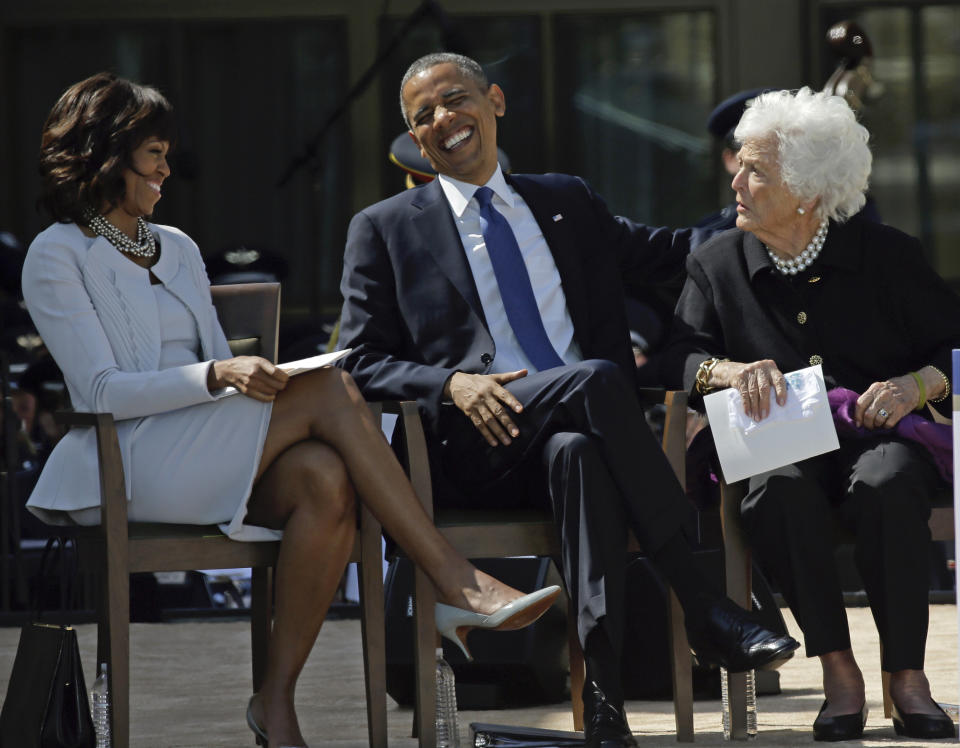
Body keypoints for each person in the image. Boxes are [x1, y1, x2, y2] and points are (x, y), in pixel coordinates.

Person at [21, 72, 560, 748]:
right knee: (334, 391)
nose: (167, 168)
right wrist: (218, 373)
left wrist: (246, 376)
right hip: (126, 458)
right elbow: (100, 391)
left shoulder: (179, 247)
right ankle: (452, 577)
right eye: (154, 153)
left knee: (324, 481)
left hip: (202, 450)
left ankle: (275, 702)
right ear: (108, 154)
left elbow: (218, 371)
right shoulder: (56, 254)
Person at [338, 52, 798, 747]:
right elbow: (361, 360)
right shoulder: (384, 227)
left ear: (494, 101)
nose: (442, 121)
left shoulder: (566, 200)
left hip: (580, 432)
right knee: (600, 380)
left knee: (579, 453)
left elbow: (671, 251)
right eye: (422, 116)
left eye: (455, 100)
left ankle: (606, 713)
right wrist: (452, 383)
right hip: (472, 446)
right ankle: (702, 605)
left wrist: (772, 211)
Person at [663, 87, 959, 741]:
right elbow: (679, 358)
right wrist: (730, 372)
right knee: (777, 490)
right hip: (779, 445)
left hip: (877, 440)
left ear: (808, 189)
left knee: (888, 483)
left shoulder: (888, 257)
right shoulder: (716, 264)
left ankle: (907, 676)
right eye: (739, 163)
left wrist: (917, 384)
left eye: (755, 170)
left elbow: (954, 344)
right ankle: (838, 671)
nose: (735, 179)